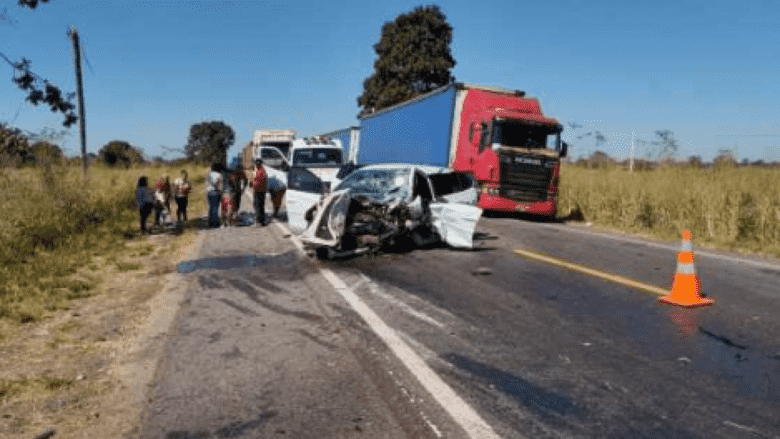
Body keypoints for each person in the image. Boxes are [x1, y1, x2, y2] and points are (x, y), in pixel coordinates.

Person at [206, 162, 223, 228]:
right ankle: (215, 223)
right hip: (215, 192)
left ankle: (210, 222)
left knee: (211, 207)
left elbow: (206, 183)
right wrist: (220, 192)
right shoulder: (219, 175)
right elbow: (219, 185)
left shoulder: (208, 174)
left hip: (209, 192)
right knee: (215, 208)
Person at [252, 159, 268, 226]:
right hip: (263, 191)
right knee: (261, 206)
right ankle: (262, 221)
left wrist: (252, 183)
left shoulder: (257, 171)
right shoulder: (263, 171)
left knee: (257, 206)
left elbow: (254, 181)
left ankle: (259, 221)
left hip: (257, 191)